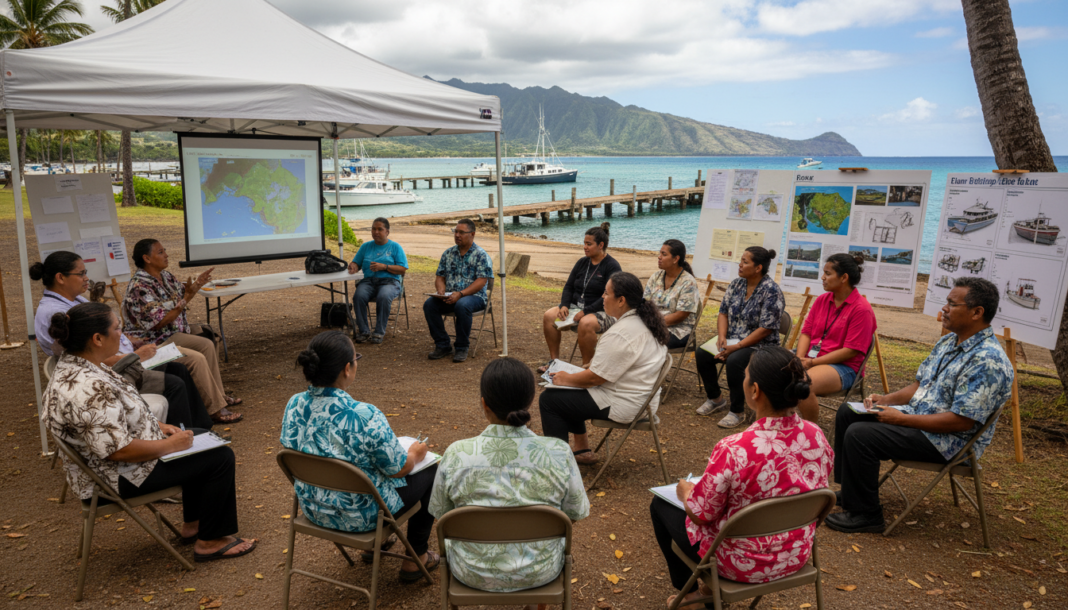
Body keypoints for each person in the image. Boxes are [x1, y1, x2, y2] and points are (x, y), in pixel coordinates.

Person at [43, 302, 256, 562]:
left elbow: (114, 424)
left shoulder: (77, 364)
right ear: (97, 338)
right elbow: (118, 451)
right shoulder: (88, 388)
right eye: (117, 328)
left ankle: (195, 524)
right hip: (115, 479)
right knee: (219, 458)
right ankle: (210, 541)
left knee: (200, 435)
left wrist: (160, 428)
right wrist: (170, 445)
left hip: (111, 466)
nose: (122, 334)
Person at [650, 346, 833, 609]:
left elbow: (702, 514)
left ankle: (694, 593)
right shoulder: (816, 435)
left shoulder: (735, 448)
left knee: (660, 505)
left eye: (745, 376)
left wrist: (685, 491)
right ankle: (702, 589)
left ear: (755, 391)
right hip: (795, 555)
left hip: (738, 564)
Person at [827, 277, 1013, 534]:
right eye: (946, 302)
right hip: (921, 419)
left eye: (952, 304)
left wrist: (900, 419)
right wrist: (886, 400)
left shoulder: (987, 360)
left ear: (976, 313)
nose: (944, 309)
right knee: (849, 412)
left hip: (950, 441)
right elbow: (919, 385)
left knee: (861, 434)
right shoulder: (949, 341)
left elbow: (961, 421)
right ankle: (851, 493)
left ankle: (866, 515)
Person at [281, 331, 438, 582]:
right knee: (431, 470)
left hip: (315, 508)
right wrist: (416, 454)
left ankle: (377, 545)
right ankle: (416, 557)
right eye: (357, 358)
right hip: (363, 517)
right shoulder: (363, 414)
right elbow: (399, 469)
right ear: (347, 368)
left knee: (364, 470)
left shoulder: (294, 404)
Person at [429, 357, 590, 594]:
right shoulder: (559, 452)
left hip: (472, 571)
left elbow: (442, 515)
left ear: (484, 404)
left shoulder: (456, 454)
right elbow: (574, 513)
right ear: (531, 400)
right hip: (540, 570)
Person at [30, 252, 212, 430]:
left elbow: (96, 340)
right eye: (81, 274)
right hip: (110, 372)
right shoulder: (54, 313)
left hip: (121, 360)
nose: (87, 278)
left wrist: (128, 340)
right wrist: (134, 356)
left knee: (179, 369)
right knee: (175, 383)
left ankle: (199, 429)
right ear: (60, 277)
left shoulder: (72, 300)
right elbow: (84, 361)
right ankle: (179, 435)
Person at [538, 272, 669, 465]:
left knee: (550, 400)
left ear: (621, 300)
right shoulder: (643, 321)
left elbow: (594, 379)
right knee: (568, 393)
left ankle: (557, 465)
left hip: (627, 403)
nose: (602, 297)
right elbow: (626, 361)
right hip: (643, 399)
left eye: (606, 293)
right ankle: (581, 449)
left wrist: (565, 378)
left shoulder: (622, 332)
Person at [122, 239, 244, 424]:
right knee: (199, 354)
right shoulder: (139, 287)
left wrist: (196, 286)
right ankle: (214, 409)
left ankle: (219, 396)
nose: (166, 255)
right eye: (161, 252)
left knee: (209, 340)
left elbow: (184, 294)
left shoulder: (166, 277)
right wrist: (183, 303)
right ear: (146, 258)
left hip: (173, 333)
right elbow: (159, 323)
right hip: (156, 340)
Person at [695, 247, 786, 429]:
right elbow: (723, 313)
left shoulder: (771, 291)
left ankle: (737, 411)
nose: (740, 264)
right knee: (702, 353)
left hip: (761, 346)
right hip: (733, 340)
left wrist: (737, 347)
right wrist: (722, 337)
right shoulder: (736, 284)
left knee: (735, 361)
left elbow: (766, 329)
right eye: (741, 260)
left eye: (745, 262)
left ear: (758, 267)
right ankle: (715, 399)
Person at [793, 253, 876, 422]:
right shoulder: (822, 300)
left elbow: (851, 351)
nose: (822, 278)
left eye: (828, 274)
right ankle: (780, 423)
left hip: (842, 367)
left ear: (844, 277)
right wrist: (799, 358)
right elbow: (806, 332)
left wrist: (811, 362)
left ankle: (812, 435)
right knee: (767, 369)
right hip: (811, 357)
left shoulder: (862, 309)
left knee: (802, 385)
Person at [539, 223, 622, 370]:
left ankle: (587, 368)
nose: (585, 247)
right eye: (584, 243)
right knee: (549, 316)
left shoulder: (612, 266)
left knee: (586, 323)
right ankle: (554, 362)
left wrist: (585, 311)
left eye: (589, 244)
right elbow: (569, 286)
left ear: (601, 245)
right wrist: (564, 305)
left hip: (602, 311)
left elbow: (609, 296)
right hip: (576, 308)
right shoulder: (582, 262)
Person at [422, 219, 494, 363]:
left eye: (461, 232)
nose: (457, 235)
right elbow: (440, 276)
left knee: (462, 305)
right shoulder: (448, 253)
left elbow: (481, 281)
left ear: (472, 234)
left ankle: (462, 347)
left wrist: (460, 294)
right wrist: (441, 290)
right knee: (429, 304)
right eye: (455, 231)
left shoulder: (481, 255)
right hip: (450, 296)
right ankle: (442, 345)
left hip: (474, 297)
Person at [347, 217, 408, 345]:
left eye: (380, 229)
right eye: (374, 229)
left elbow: (402, 269)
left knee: (384, 296)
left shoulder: (395, 247)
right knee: (358, 296)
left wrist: (384, 267)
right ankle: (364, 331)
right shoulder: (366, 246)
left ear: (387, 232)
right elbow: (356, 262)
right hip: (368, 281)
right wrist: (353, 266)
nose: (376, 232)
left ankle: (379, 332)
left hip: (390, 281)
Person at [644, 239, 700, 349]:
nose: (659, 257)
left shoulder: (688, 282)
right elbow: (644, 303)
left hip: (679, 330)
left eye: (663, 254)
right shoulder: (656, 277)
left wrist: (653, 324)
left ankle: (652, 365)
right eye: (660, 253)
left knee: (646, 342)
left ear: (675, 259)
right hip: (653, 325)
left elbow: (681, 315)